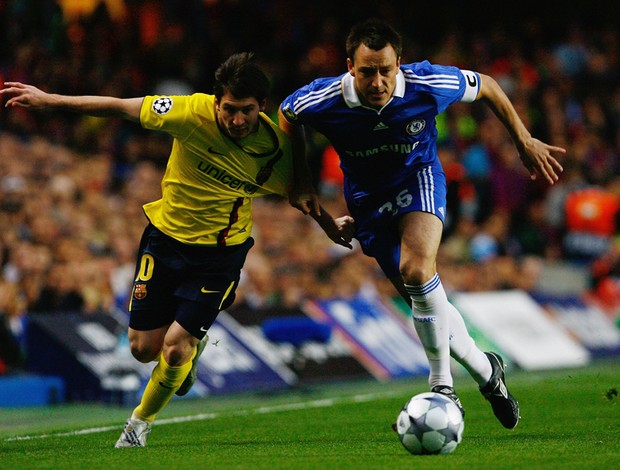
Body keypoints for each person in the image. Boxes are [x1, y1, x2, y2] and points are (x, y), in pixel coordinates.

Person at [0, 52, 352, 448]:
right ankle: (193, 349)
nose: (237, 121)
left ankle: (139, 424)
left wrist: (330, 223)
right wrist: (49, 100)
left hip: (220, 256)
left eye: (247, 112)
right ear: (216, 101)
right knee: (142, 349)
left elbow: (301, 197)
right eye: (230, 110)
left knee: (173, 346)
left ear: (262, 108)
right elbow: (120, 108)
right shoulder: (188, 113)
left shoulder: (275, 151)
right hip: (164, 240)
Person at [279, 18, 566, 430]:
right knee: (427, 303)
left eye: (385, 70)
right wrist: (301, 182)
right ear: (349, 66)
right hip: (367, 202)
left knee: (417, 270)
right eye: (366, 71)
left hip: (419, 180)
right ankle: (488, 373)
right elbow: (287, 116)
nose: (377, 81)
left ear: (399, 64)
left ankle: (442, 387)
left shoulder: (428, 83)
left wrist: (523, 140)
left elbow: (486, 85)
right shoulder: (323, 99)